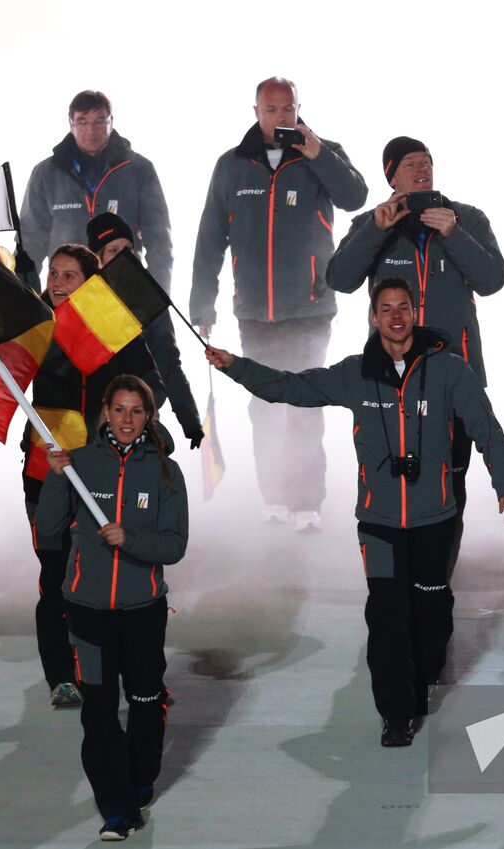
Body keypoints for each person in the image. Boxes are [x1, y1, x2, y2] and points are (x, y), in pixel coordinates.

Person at [204, 277, 504, 747]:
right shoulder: (355, 373)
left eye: (404, 307)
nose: (396, 315)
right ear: (373, 318)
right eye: (386, 308)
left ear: (415, 313)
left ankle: (423, 680)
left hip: (435, 519)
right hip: (379, 523)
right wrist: (236, 366)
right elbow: (289, 387)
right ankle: (395, 715)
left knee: (432, 613)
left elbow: (486, 429)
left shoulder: (451, 371)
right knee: (388, 615)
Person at [190, 76, 368, 532]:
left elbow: (355, 197)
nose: (281, 118)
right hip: (254, 311)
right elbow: (210, 237)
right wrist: (201, 305)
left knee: (305, 403)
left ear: (298, 108)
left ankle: (307, 502)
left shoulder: (321, 152)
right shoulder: (232, 165)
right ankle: (275, 498)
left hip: (308, 308)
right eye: (271, 110)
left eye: (288, 109)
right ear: (256, 111)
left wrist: (319, 154)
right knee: (265, 405)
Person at [327, 136, 504, 551]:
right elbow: (339, 279)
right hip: (390, 381)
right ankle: (394, 568)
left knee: (450, 478)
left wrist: (454, 234)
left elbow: (492, 280)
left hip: (454, 375)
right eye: (410, 163)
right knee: (388, 474)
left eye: (426, 162)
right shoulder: (371, 223)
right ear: (391, 175)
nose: (422, 168)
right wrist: (376, 227)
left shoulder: (467, 218)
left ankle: (438, 571)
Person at [36, 374, 187, 841]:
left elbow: (175, 545)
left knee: (145, 701)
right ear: (105, 412)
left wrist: (131, 539)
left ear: (148, 417)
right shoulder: (80, 464)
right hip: (88, 611)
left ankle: (141, 777)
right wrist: (56, 478)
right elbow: (46, 529)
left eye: (136, 411)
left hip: (143, 610)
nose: (126, 419)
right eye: (119, 410)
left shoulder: (165, 472)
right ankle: (117, 810)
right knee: (99, 711)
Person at [22, 244, 169, 709]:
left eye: (70, 275)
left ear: (92, 283)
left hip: (108, 473)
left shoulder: (116, 328)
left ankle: (122, 672)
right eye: (53, 274)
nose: (59, 283)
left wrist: (123, 416)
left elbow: (155, 386)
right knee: (55, 574)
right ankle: (63, 676)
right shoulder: (30, 325)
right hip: (47, 472)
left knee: (110, 575)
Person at [20, 90, 172, 292]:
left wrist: (157, 300)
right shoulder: (46, 174)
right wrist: (24, 301)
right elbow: (29, 242)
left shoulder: (139, 170)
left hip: (124, 293)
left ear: (111, 122)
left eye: (100, 120)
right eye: (82, 121)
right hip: (66, 294)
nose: (91, 130)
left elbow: (159, 241)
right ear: (71, 123)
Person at [86, 211, 203, 445]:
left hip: (141, 408)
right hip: (92, 414)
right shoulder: (82, 300)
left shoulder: (148, 298)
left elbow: (168, 362)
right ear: (97, 257)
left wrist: (190, 420)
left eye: (128, 249)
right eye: (114, 250)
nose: (124, 257)